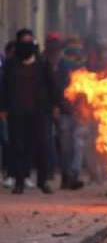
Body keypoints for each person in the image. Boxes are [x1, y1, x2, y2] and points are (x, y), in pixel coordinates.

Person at [1, 29, 58, 194]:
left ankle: (42, 181)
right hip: (17, 113)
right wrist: (3, 108)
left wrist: (56, 105)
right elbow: (4, 87)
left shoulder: (42, 63)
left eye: (29, 41)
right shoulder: (11, 64)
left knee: (42, 146)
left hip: (39, 112)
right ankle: (19, 182)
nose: (27, 45)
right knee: (18, 147)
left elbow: (52, 86)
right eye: (24, 41)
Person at [55, 38, 87, 190]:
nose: (76, 50)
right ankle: (66, 176)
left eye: (77, 47)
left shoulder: (84, 66)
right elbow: (57, 87)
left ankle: (74, 174)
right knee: (66, 146)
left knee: (78, 145)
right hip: (65, 111)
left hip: (80, 112)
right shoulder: (61, 65)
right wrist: (57, 105)